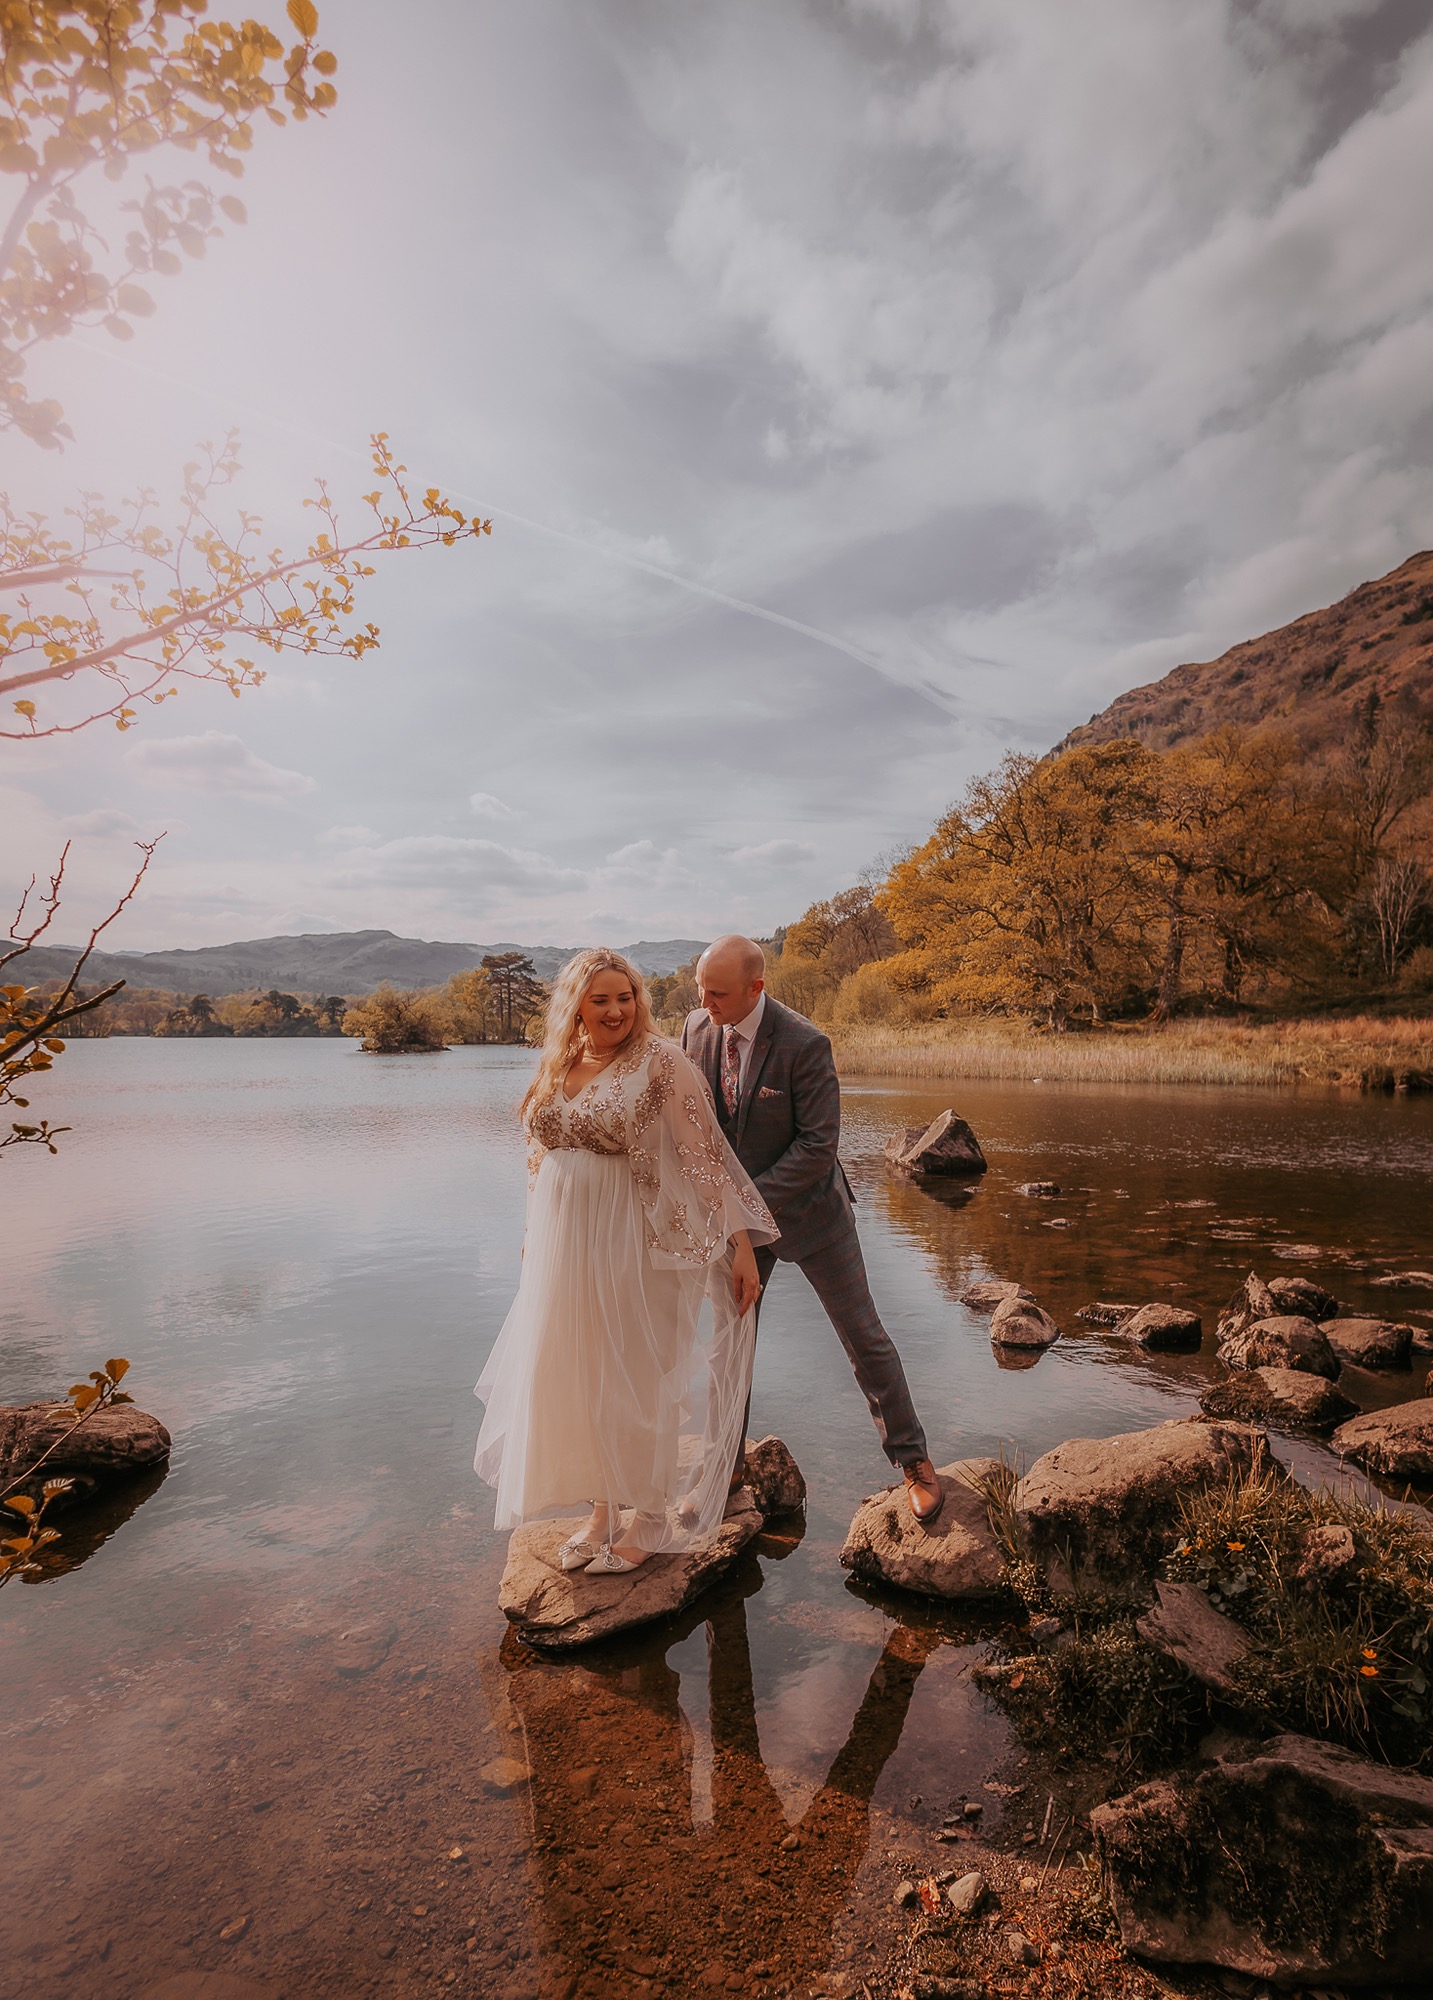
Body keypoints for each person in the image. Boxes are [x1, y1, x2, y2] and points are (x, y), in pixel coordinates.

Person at [474, 948, 777, 1573]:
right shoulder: (559, 1061)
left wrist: (740, 1242)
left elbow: (701, 1156)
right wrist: (534, 1230)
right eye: (601, 999)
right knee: (579, 1371)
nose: (617, 1010)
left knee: (632, 1374)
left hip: (632, 1237)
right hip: (564, 1244)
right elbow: (537, 1153)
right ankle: (601, 1512)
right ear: (576, 1007)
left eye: (626, 997)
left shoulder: (660, 1061)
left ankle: (650, 1518)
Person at [682, 934, 943, 1522]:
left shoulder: (805, 1043)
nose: (704, 1000)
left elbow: (818, 1148)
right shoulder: (696, 1030)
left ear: (757, 987)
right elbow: (698, 1130)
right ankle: (726, 1465)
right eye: (701, 988)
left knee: (864, 1339)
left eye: (717, 991)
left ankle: (914, 1461)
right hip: (738, 1230)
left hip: (814, 1217)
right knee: (731, 1346)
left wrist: (739, 1206)